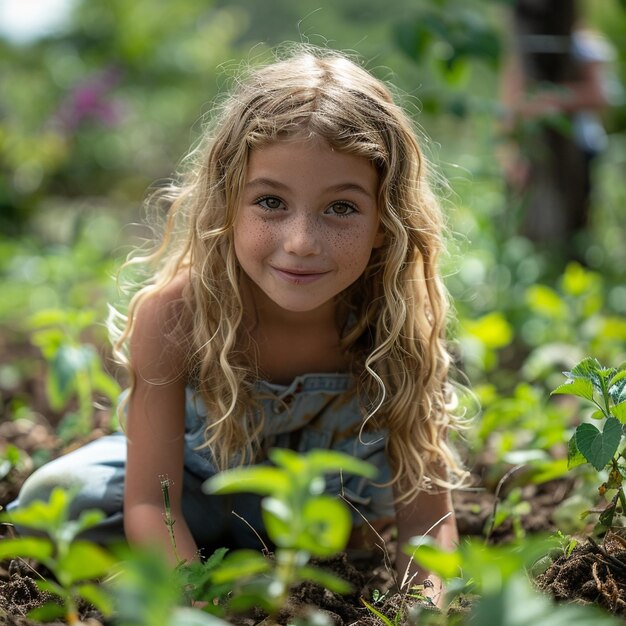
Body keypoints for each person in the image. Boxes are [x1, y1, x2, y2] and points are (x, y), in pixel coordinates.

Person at [10, 46, 467, 605]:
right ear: (228, 204)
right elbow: (152, 502)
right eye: (271, 202)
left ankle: (302, 563)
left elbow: (427, 518)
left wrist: (424, 605)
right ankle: (220, 564)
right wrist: (191, 601)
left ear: (385, 220)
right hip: (195, 494)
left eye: (341, 208)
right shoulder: (177, 314)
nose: (301, 242)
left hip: (318, 515)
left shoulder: (395, 322)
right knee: (51, 498)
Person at [498, 0, 616, 265]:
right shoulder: (523, 45)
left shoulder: (585, 43)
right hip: (530, 148)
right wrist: (509, 153)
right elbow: (509, 103)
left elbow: (600, 95)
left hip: (581, 146)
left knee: (577, 218)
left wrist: (550, 100)